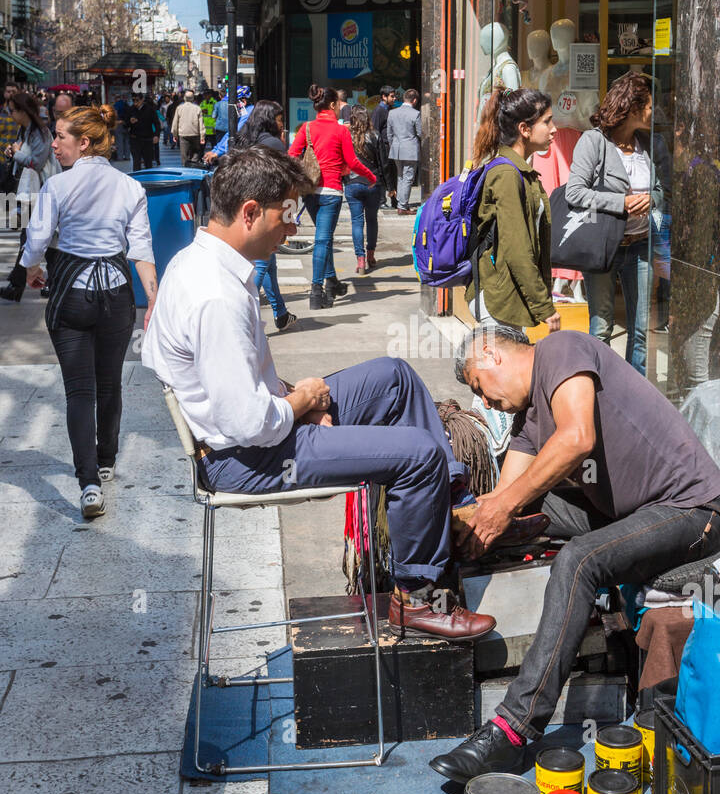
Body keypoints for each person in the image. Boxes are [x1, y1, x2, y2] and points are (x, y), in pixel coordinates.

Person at [141, 145, 496, 641]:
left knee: (394, 378)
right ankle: (418, 595)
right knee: (418, 456)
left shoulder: (199, 262)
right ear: (249, 213)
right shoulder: (214, 295)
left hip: (262, 427)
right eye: (286, 215)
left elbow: (222, 382)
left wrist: (293, 401)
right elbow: (248, 424)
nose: (293, 228)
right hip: (248, 456)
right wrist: (300, 407)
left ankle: (454, 504)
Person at [429, 325, 720, 781]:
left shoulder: (562, 349)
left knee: (579, 560)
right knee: (512, 514)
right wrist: (464, 522)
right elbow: (505, 496)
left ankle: (514, 729)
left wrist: (504, 507)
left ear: (492, 355)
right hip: (633, 513)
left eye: (479, 388)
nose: (484, 404)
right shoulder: (528, 420)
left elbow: (577, 438)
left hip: (691, 511)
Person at [18, 104, 157, 520]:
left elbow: (37, 240)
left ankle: (89, 483)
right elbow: (143, 251)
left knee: (79, 391)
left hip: (72, 295)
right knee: (109, 383)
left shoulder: (58, 187)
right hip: (116, 296)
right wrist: (152, 300)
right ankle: (107, 458)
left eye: (60, 136)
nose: (54, 144)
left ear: (84, 142)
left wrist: (32, 270)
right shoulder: (130, 187)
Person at [565, 72, 662, 377]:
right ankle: (600, 397)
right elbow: (575, 192)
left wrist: (653, 200)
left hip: (640, 246)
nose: (653, 112)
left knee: (641, 332)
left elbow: (663, 189)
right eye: (648, 106)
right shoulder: (594, 141)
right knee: (601, 327)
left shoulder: (649, 144)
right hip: (604, 248)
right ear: (631, 107)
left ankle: (636, 399)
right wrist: (621, 203)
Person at [466, 86, 560, 334]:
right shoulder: (507, 174)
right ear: (524, 129)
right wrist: (545, 307)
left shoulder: (519, 171)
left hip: (508, 300)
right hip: (499, 303)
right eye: (547, 122)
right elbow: (518, 249)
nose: (554, 129)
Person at [289, 83, 377, 311]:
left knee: (323, 239)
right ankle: (316, 291)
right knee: (322, 240)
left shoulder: (306, 128)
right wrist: (371, 177)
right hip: (331, 191)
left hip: (310, 192)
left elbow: (291, 156)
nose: (340, 108)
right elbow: (353, 161)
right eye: (338, 104)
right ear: (331, 104)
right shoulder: (340, 131)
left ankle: (332, 283)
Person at [228, 99, 295, 332]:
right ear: (269, 120)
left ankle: (281, 313)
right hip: (268, 211)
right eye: (278, 119)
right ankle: (244, 321)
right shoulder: (274, 144)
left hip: (245, 209)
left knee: (269, 263)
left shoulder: (244, 139)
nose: (281, 123)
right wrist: (288, 215)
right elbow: (286, 183)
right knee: (260, 266)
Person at [0, 91, 53, 301]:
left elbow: (36, 163)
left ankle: (22, 283)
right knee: (27, 237)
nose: (10, 113)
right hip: (23, 191)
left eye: (12, 110)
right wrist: (12, 153)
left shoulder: (40, 133)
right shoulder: (24, 131)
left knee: (42, 240)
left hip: (36, 192)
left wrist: (18, 153)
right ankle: (17, 284)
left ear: (23, 111)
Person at [345, 104, 392, 274]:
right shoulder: (375, 135)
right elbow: (383, 163)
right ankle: (371, 255)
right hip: (373, 183)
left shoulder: (347, 136)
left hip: (353, 183)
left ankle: (361, 259)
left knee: (357, 222)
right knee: (372, 220)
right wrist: (389, 186)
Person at [386, 87, 422, 215]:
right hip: (410, 150)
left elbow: (389, 134)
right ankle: (402, 206)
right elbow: (420, 133)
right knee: (408, 177)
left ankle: (401, 203)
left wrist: (393, 145)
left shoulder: (392, 113)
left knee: (400, 176)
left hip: (396, 148)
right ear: (414, 100)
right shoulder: (415, 114)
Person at [371, 85, 396, 206]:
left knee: (391, 173)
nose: (394, 98)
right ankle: (381, 200)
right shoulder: (379, 111)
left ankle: (393, 199)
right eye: (392, 96)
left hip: (390, 145)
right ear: (384, 97)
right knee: (383, 172)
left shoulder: (390, 109)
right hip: (383, 147)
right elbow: (375, 130)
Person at [127, 91, 162, 171]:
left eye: (137, 100)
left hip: (147, 140)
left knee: (148, 162)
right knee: (136, 162)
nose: (135, 103)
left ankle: (149, 180)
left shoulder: (150, 109)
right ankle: (136, 181)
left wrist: (156, 135)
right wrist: (130, 122)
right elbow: (126, 124)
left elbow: (157, 123)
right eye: (133, 101)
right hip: (135, 140)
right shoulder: (131, 109)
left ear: (142, 100)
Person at [171, 90, 206, 167]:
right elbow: (201, 123)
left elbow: (175, 122)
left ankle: (185, 167)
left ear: (184, 98)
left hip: (183, 134)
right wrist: (202, 136)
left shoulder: (179, 108)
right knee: (195, 153)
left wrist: (174, 134)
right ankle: (194, 166)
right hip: (195, 134)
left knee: (184, 155)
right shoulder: (197, 108)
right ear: (193, 98)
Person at [113, 94, 132, 163]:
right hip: (126, 124)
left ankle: (120, 157)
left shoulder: (117, 105)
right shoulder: (126, 104)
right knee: (127, 141)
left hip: (119, 124)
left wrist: (115, 121)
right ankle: (127, 156)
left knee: (119, 141)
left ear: (116, 98)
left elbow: (115, 114)